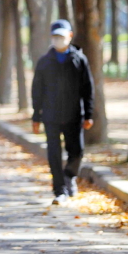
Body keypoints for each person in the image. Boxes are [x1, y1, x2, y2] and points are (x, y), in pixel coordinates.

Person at [32, 19, 95, 205]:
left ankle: (69, 176)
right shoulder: (44, 62)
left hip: (74, 115)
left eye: (62, 36)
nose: (59, 40)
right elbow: (37, 91)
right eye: (55, 37)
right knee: (53, 153)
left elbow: (87, 89)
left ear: (70, 36)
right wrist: (36, 116)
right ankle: (59, 189)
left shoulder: (79, 60)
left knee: (77, 150)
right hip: (50, 116)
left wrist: (89, 114)